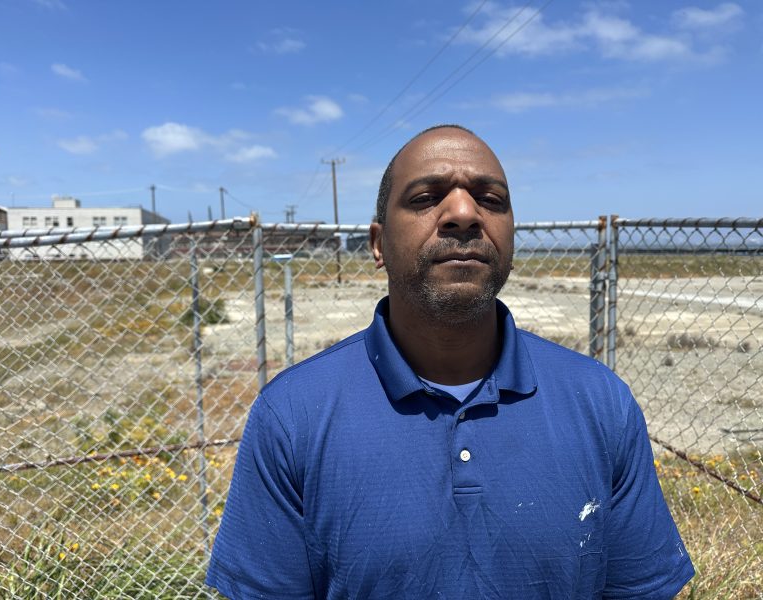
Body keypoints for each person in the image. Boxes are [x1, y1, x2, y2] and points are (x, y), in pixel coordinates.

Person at [206, 125, 694, 599]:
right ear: (377, 243)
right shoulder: (291, 416)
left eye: (491, 199)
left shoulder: (601, 402)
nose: (464, 212)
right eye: (424, 198)